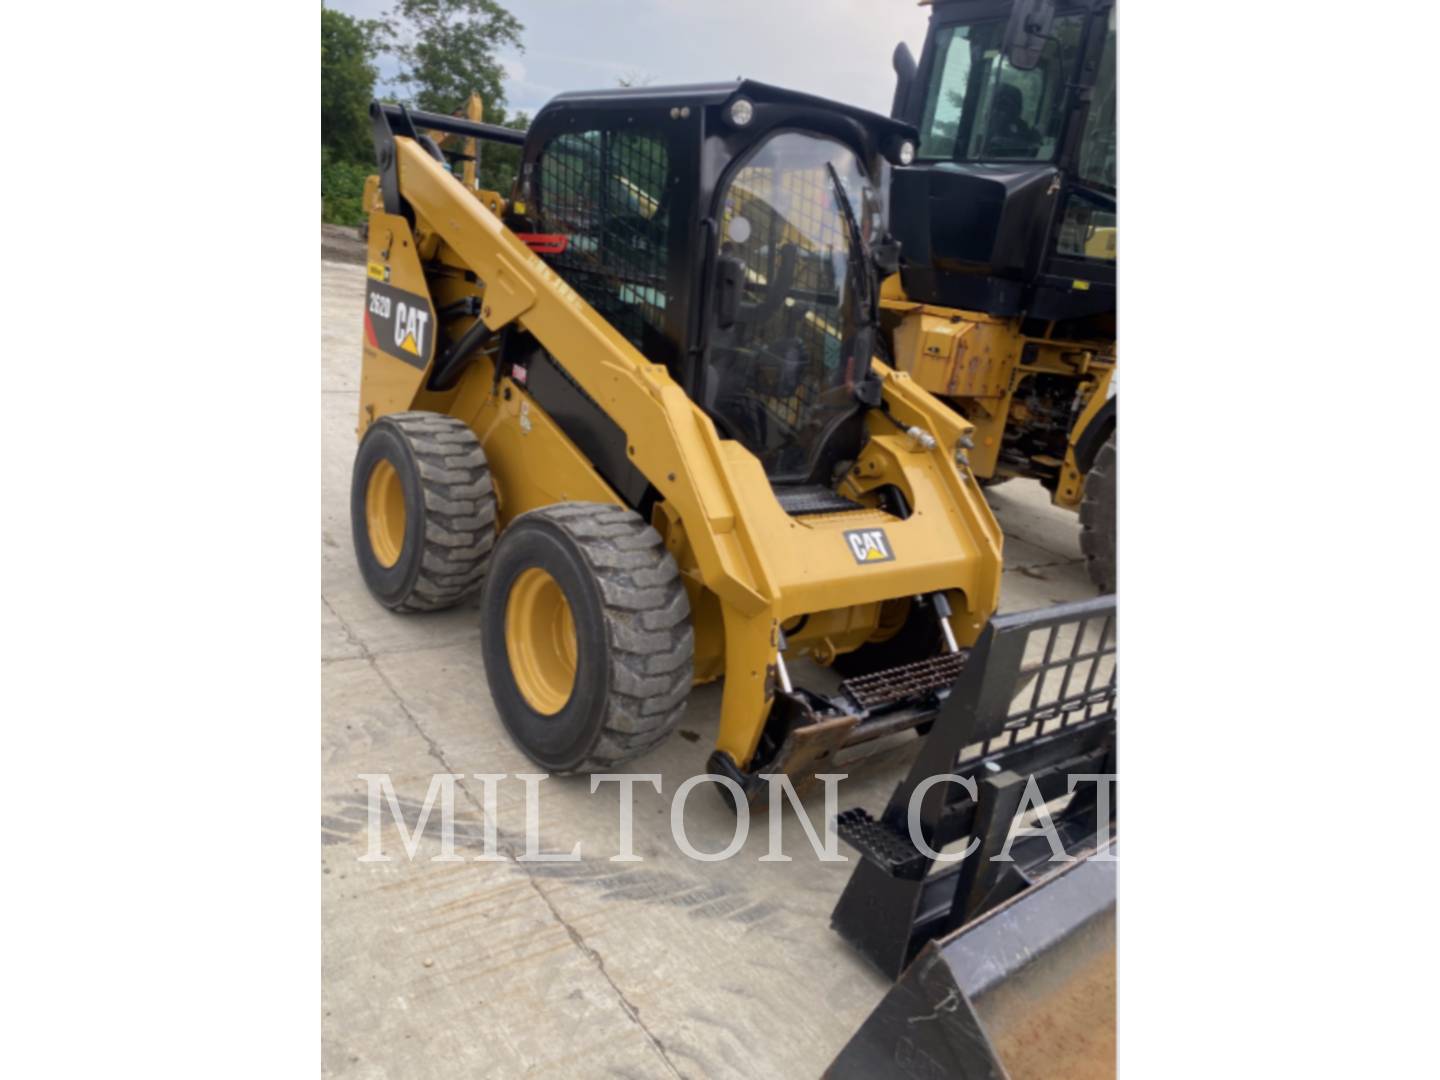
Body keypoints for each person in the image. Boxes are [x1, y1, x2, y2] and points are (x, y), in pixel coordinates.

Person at [986, 83, 1042, 155]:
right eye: (993, 105)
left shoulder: (1025, 132)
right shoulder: (986, 131)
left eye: (1003, 106)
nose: (995, 111)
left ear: (1016, 110)